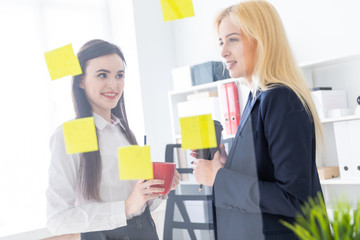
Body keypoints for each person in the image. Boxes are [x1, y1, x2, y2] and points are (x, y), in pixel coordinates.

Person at [192, 1, 323, 239]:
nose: (223, 52)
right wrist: (225, 164)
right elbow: (265, 173)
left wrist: (219, 178)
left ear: (261, 40)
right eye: (221, 42)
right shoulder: (256, 97)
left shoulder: (281, 99)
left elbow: (294, 200)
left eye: (233, 39)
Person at [46, 39, 180, 240]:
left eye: (119, 75)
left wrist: (159, 191)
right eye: (102, 75)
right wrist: (124, 208)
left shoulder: (123, 132)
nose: (113, 84)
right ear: (81, 81)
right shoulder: (70, 134)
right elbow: (57, 220)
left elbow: (138, 203)